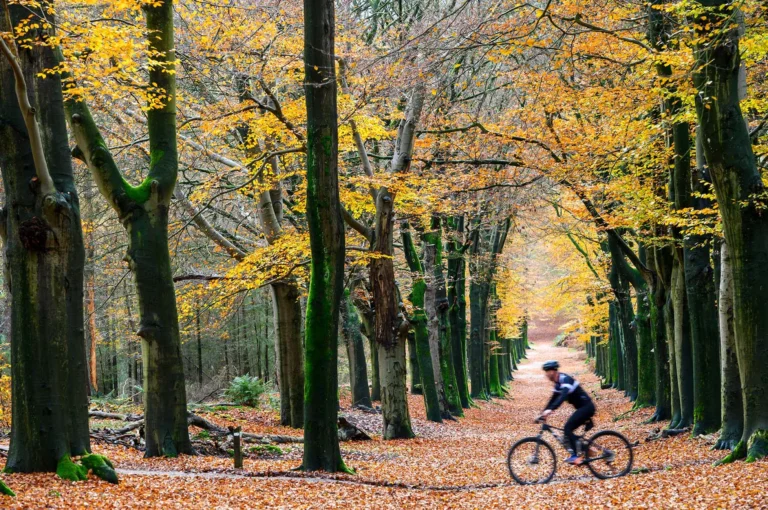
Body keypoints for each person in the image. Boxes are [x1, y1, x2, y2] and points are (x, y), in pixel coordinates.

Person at [536, 360, 595, 465]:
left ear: (553, 371)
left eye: (547, 371)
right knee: (568, 432)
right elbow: (553, 399)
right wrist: (543, 413)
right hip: (581, 408)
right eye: (545, 372)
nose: (546, 374)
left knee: (567, 428)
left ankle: (576, 456)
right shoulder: (558, 384)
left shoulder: (565, 379)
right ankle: (584, 449)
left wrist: (551, 409)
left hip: (587, 407)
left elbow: (562, 396)